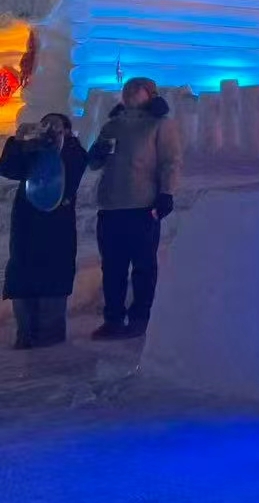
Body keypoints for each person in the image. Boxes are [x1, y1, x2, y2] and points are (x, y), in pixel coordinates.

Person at [87, 77, 180, 339]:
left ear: (150, 94)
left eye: (136, 90)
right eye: (127, 90)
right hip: (111, 205)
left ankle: (141, 316)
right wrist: (97, 153)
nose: (129, 94)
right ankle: (113, 318)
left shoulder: (159, 125)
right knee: (112, 267)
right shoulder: (113, 125)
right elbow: (95, 162)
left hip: (142, 205)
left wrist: (166, 193)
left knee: (143, 266)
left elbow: (170, 161)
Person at [1, 114, 87, 349]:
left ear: (67, 131)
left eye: (55, 128)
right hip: (27, 226)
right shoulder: (32, 150)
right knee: (23, 278)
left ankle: (50, 339)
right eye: (45, 126)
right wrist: (18, 141)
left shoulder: (73, 152)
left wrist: (59, 144)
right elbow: (8, 168)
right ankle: (25, 334)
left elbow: (72, 172)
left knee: (52, 281)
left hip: (56, 229)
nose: (49, 131)